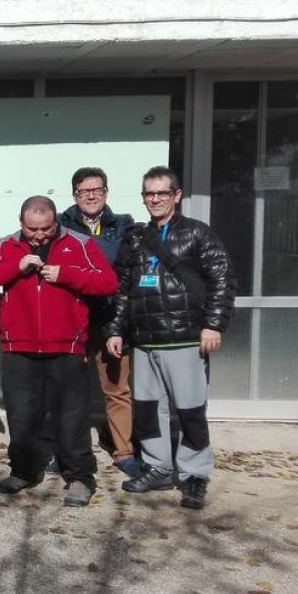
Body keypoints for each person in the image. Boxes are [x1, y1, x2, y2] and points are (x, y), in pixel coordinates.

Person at [0, 196, 116, 507]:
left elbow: (107, 282)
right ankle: (23, 470)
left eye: (46, 229)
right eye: (32, 229)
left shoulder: (80, 244)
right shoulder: (5, 245)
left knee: (71, 416)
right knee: (22, 415)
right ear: (21, 223)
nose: (39, 235)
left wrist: (66, 274)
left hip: (67, 346)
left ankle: (78, 478)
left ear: (56, 221)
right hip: (19, 347)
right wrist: (16, 267)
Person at [106, 166, 236, 510]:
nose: (155, 199)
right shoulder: (134, 238)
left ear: (176, 195)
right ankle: (159, 468)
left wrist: (213, 326)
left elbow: (223, 281)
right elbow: (122, 290)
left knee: (191, 411)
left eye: (162, 193)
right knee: (148, 411)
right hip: (145, 342)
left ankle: (195, 475)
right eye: (149, 193)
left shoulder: (197, 234)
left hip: (186, 340)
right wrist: (116, 329)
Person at [58, 167, 139, 477]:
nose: (90, 195)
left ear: (106, 192)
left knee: (117, 389)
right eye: (83, 191)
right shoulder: (60, 224)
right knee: (66, 390)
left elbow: (123, 276)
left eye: (97, 189)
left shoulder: (124, 226)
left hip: (110, 321)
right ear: (74, 195)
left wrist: (117, 325)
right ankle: (63, 449)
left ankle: (124, 452)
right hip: (72, 321)